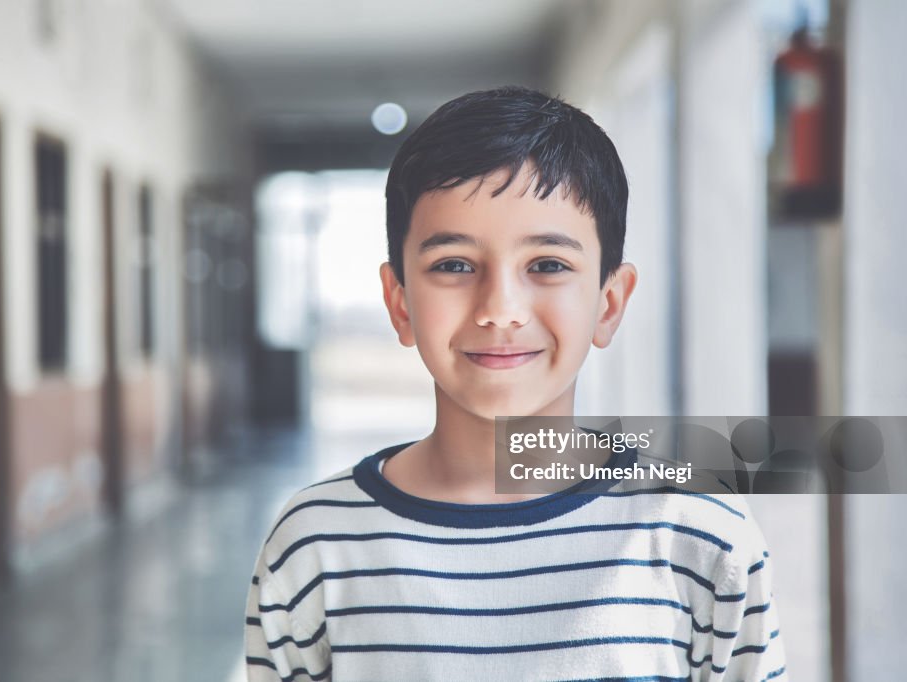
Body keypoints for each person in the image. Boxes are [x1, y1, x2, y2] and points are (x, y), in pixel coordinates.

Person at [244, 86, 787, 681]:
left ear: (609, 303)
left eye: (547, 265)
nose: (500, 309)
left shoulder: (700, 535)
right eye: (453, 265)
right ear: (399, 304)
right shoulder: (315, 545)